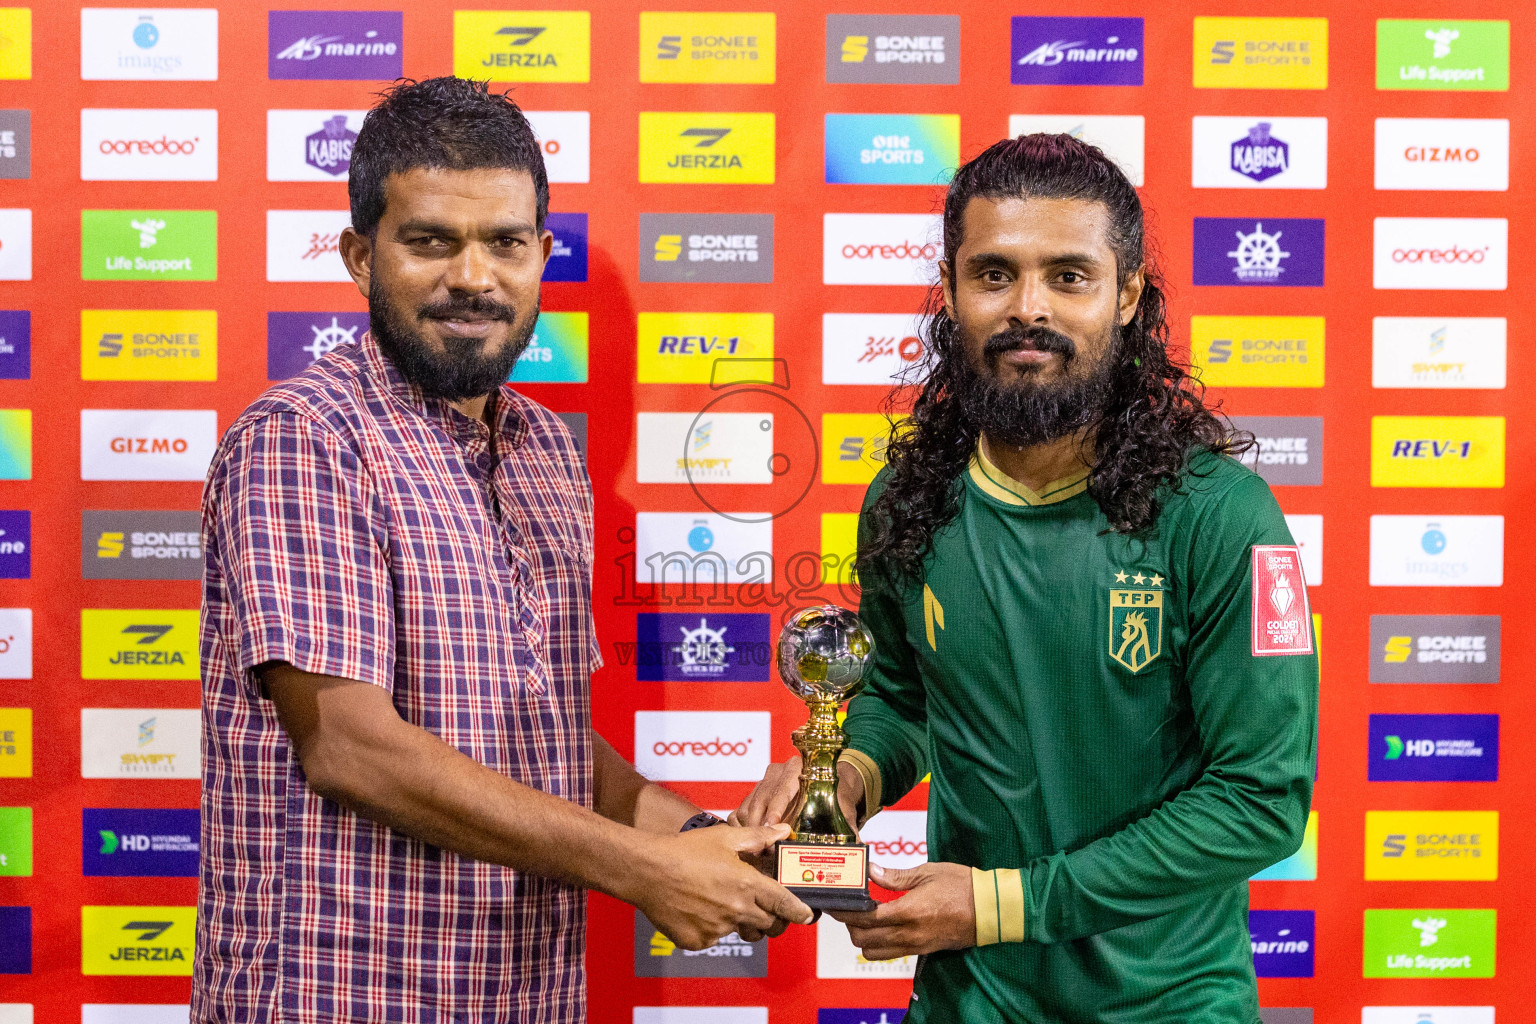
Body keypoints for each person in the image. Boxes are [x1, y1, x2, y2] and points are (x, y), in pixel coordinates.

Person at [193, 77, 809, 1024]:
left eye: (505, 243)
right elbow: (352, 748)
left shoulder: (545, 450)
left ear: (541, 255)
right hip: (345, 997)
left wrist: (703, 837)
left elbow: (546, 737)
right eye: (431, 240)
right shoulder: (305, 436)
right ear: (360, 256)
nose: (473, 277)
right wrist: (649, 870)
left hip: (526, 995)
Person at [735, 134, 1318, 1023]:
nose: (1027, 308)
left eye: (1070, 277)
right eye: (995, 273)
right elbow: (905, 698)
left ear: (1127, 295)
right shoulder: (907, 499)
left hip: (1167, 1004)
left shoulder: (1222, 516)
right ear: (953, 287)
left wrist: (1000, 905)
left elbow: (1260, 801)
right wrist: (845, 772)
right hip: (967, 1002)